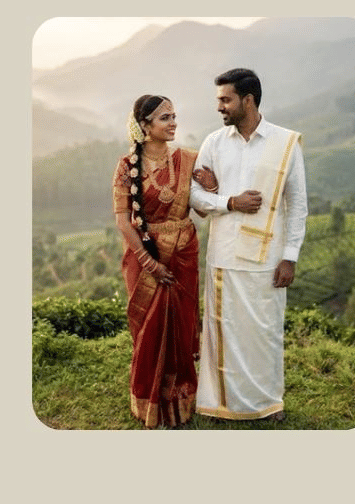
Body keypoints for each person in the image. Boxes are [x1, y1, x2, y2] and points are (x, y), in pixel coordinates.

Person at [190, 68, 308, 421]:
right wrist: (229, 202)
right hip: (224, 255)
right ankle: (218, 403)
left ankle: (268, 404)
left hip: (268, 259)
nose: (220, 107)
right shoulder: (214, 142)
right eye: (218, 100)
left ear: (248, 100)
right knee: (221, 329)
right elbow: (195, 195)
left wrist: (290, 257)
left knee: (265, 332)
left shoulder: (285, 142)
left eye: (225, 99)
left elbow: (297, 203)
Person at [112, 94, 211, 428]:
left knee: (181, 326)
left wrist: (211, 186)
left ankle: (182, 396)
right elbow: (123, 220)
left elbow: (200, 208)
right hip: (145, 259)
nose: (173, 123)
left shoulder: (188, 159)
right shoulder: (127, 167)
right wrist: (149, 261)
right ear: (145, 126)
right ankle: (150, 399)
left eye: (174, 116)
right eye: (165, 118)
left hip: (183, 252)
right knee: (150, 330)